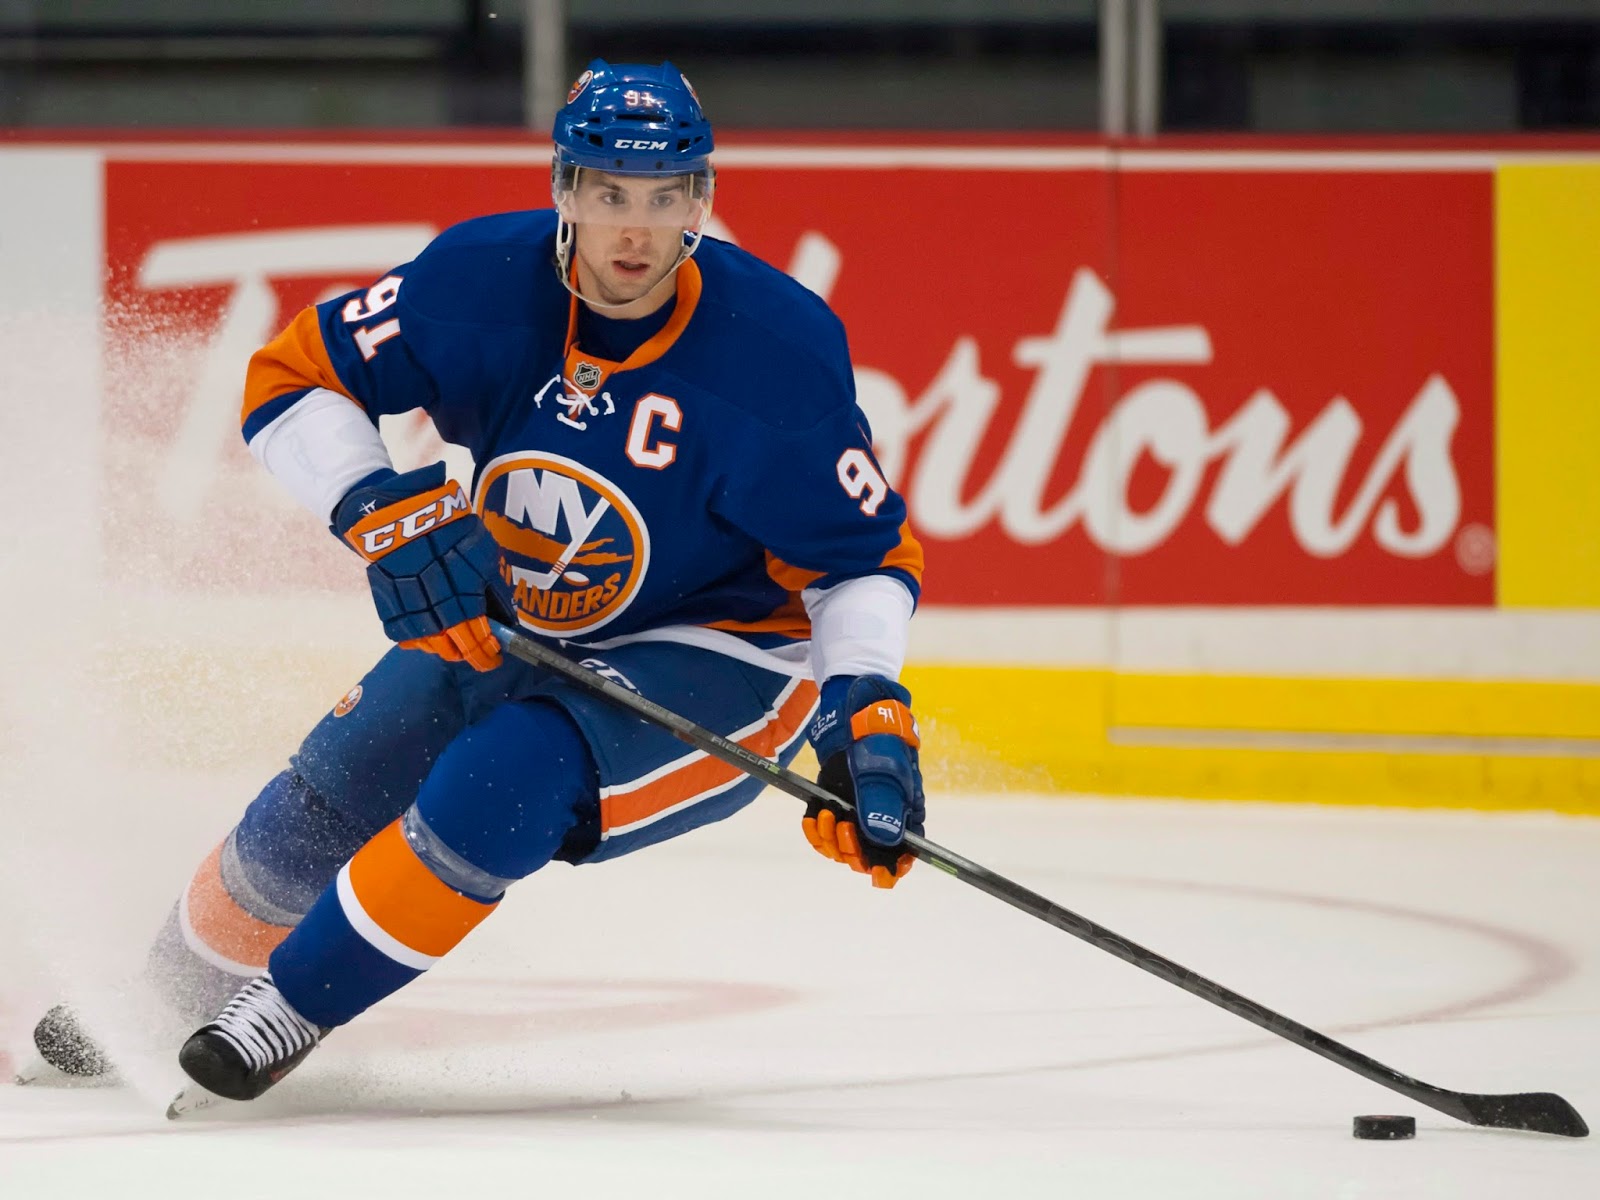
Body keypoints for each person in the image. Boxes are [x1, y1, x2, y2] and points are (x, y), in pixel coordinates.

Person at [27, 59, 926, 1105]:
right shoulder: (478, 279)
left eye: (664, 197)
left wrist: (865, 707)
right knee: (327, 794)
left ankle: (287, 1009)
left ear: (701, 199)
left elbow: (860, 558)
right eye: (609, 194)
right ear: (563, 188)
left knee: (503, 778)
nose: (635, 231)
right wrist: (377, 511)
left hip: (722, 651)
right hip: (518, 611)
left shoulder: (777, 350)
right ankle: (160, 996)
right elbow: (292, 377)